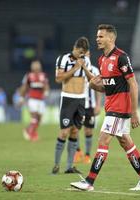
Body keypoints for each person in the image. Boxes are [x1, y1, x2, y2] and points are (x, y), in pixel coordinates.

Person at [70, 24, 140, 191]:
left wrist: (134, 112)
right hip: (111, 107)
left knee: (103, 140)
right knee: (125, 142)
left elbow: (133, 84)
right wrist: (93, 83)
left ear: (111, 38)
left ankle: (89, 181)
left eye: (100, 36)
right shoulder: (101, 60)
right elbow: (107, 87)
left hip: (120, 108)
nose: (97, 39)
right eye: (97, 36)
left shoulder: (121, 57)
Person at [52, 36, 91, 174]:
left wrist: (85, 67)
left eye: (83, 53)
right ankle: (56, 165)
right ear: (74, 48)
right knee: (64, 132)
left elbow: (91, 78)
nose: (80, 55)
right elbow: (58, 78)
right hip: (68, 99)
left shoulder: (86, 60)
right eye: (79, 52)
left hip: (81, 100)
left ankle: (69, 167)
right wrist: (76, 67)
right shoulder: (63, 59)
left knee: (75, 131)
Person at [74, 50, 102, 164]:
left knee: (88, 130)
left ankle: (87, 155)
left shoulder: (95, 70)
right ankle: (78, 152)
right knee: (74, 129)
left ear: (89, 55)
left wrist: (98, 104)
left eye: (86, 54)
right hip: (77, 104)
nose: (85, 56)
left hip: (90, 105)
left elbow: (98, 89)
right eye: (82, 54)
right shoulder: (75, 69)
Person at [19, 60, 50, 142]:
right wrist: (21, 98)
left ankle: (29, 130)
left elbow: (46, 85)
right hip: (32, 99)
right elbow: (24, 87)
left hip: (41, 100)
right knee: (34, 117)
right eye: (35, 66)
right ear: (32, 67)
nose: (36, 68)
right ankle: (31, 134)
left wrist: (46, 92)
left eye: (38, 66)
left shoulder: (43, 75)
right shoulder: (29, 76)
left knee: (39, 119)